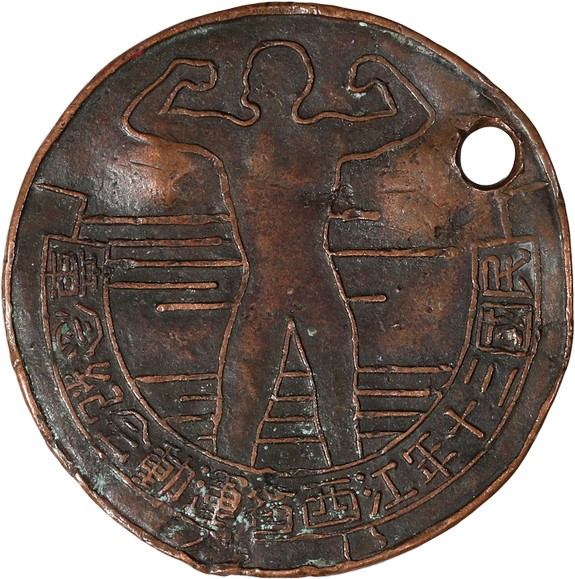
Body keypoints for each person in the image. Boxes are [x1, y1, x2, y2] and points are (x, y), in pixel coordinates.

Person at [122, 40, 434, 467]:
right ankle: (344, 485)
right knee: (327, 412)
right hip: (309, 286)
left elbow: (144, 117)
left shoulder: (236, 138)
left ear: (251, 89)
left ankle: (240, 488)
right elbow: (411, 118)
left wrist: (178, 77)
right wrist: (383, 75)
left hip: (274, 289)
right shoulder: (323, 136)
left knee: (252, 417)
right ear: (300, 90)